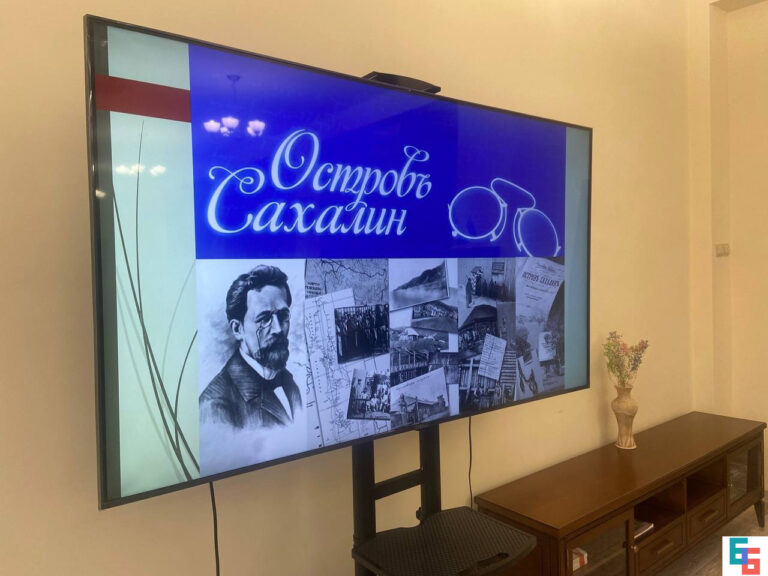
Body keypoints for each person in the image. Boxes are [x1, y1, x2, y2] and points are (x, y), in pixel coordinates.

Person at [200, 265, 301, 429]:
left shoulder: (288, 381)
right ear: (237, 329)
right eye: (264, 318)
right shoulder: (214, 407)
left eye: (283, 315)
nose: (278, 329)